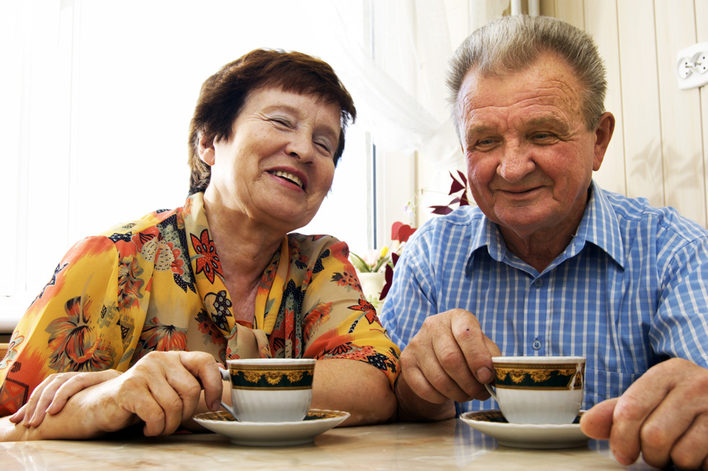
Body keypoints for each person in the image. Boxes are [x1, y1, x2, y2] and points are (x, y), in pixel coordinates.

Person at [0, 49, 399, 441]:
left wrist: (192, 394)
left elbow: (375, 382)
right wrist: (110, 398)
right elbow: (7, 426)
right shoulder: (112, 258)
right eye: (281, 122)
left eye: (325, 144)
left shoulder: (319, 264)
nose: (305, 150)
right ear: (208, 142)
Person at [380, 15, 708, 470]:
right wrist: (418, 387)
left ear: (599, 140)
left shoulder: (673, 250)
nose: (511, 168)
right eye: (485, 141)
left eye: (543, 134)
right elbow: (391, 408)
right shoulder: (431, 255)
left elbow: (702, 388)